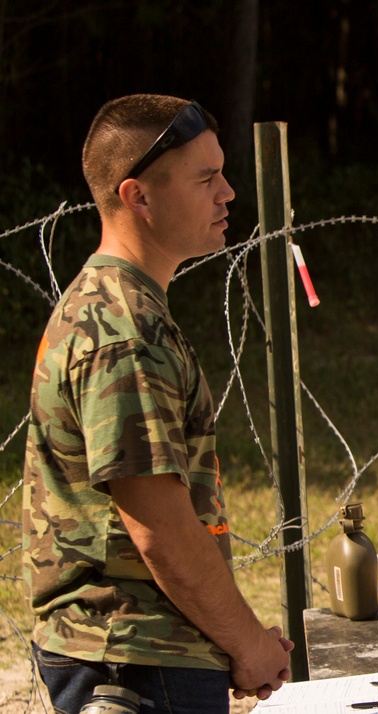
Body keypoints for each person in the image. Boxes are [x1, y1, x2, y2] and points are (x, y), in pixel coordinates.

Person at [21, 94, 292, 713]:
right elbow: (159, 527)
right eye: (205, 179)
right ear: (137, 195)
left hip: (140, 651)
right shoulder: (123, 332)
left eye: (223, 173)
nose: (227, 193)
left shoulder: (117, 306)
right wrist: (247, 642)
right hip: (134, 659)